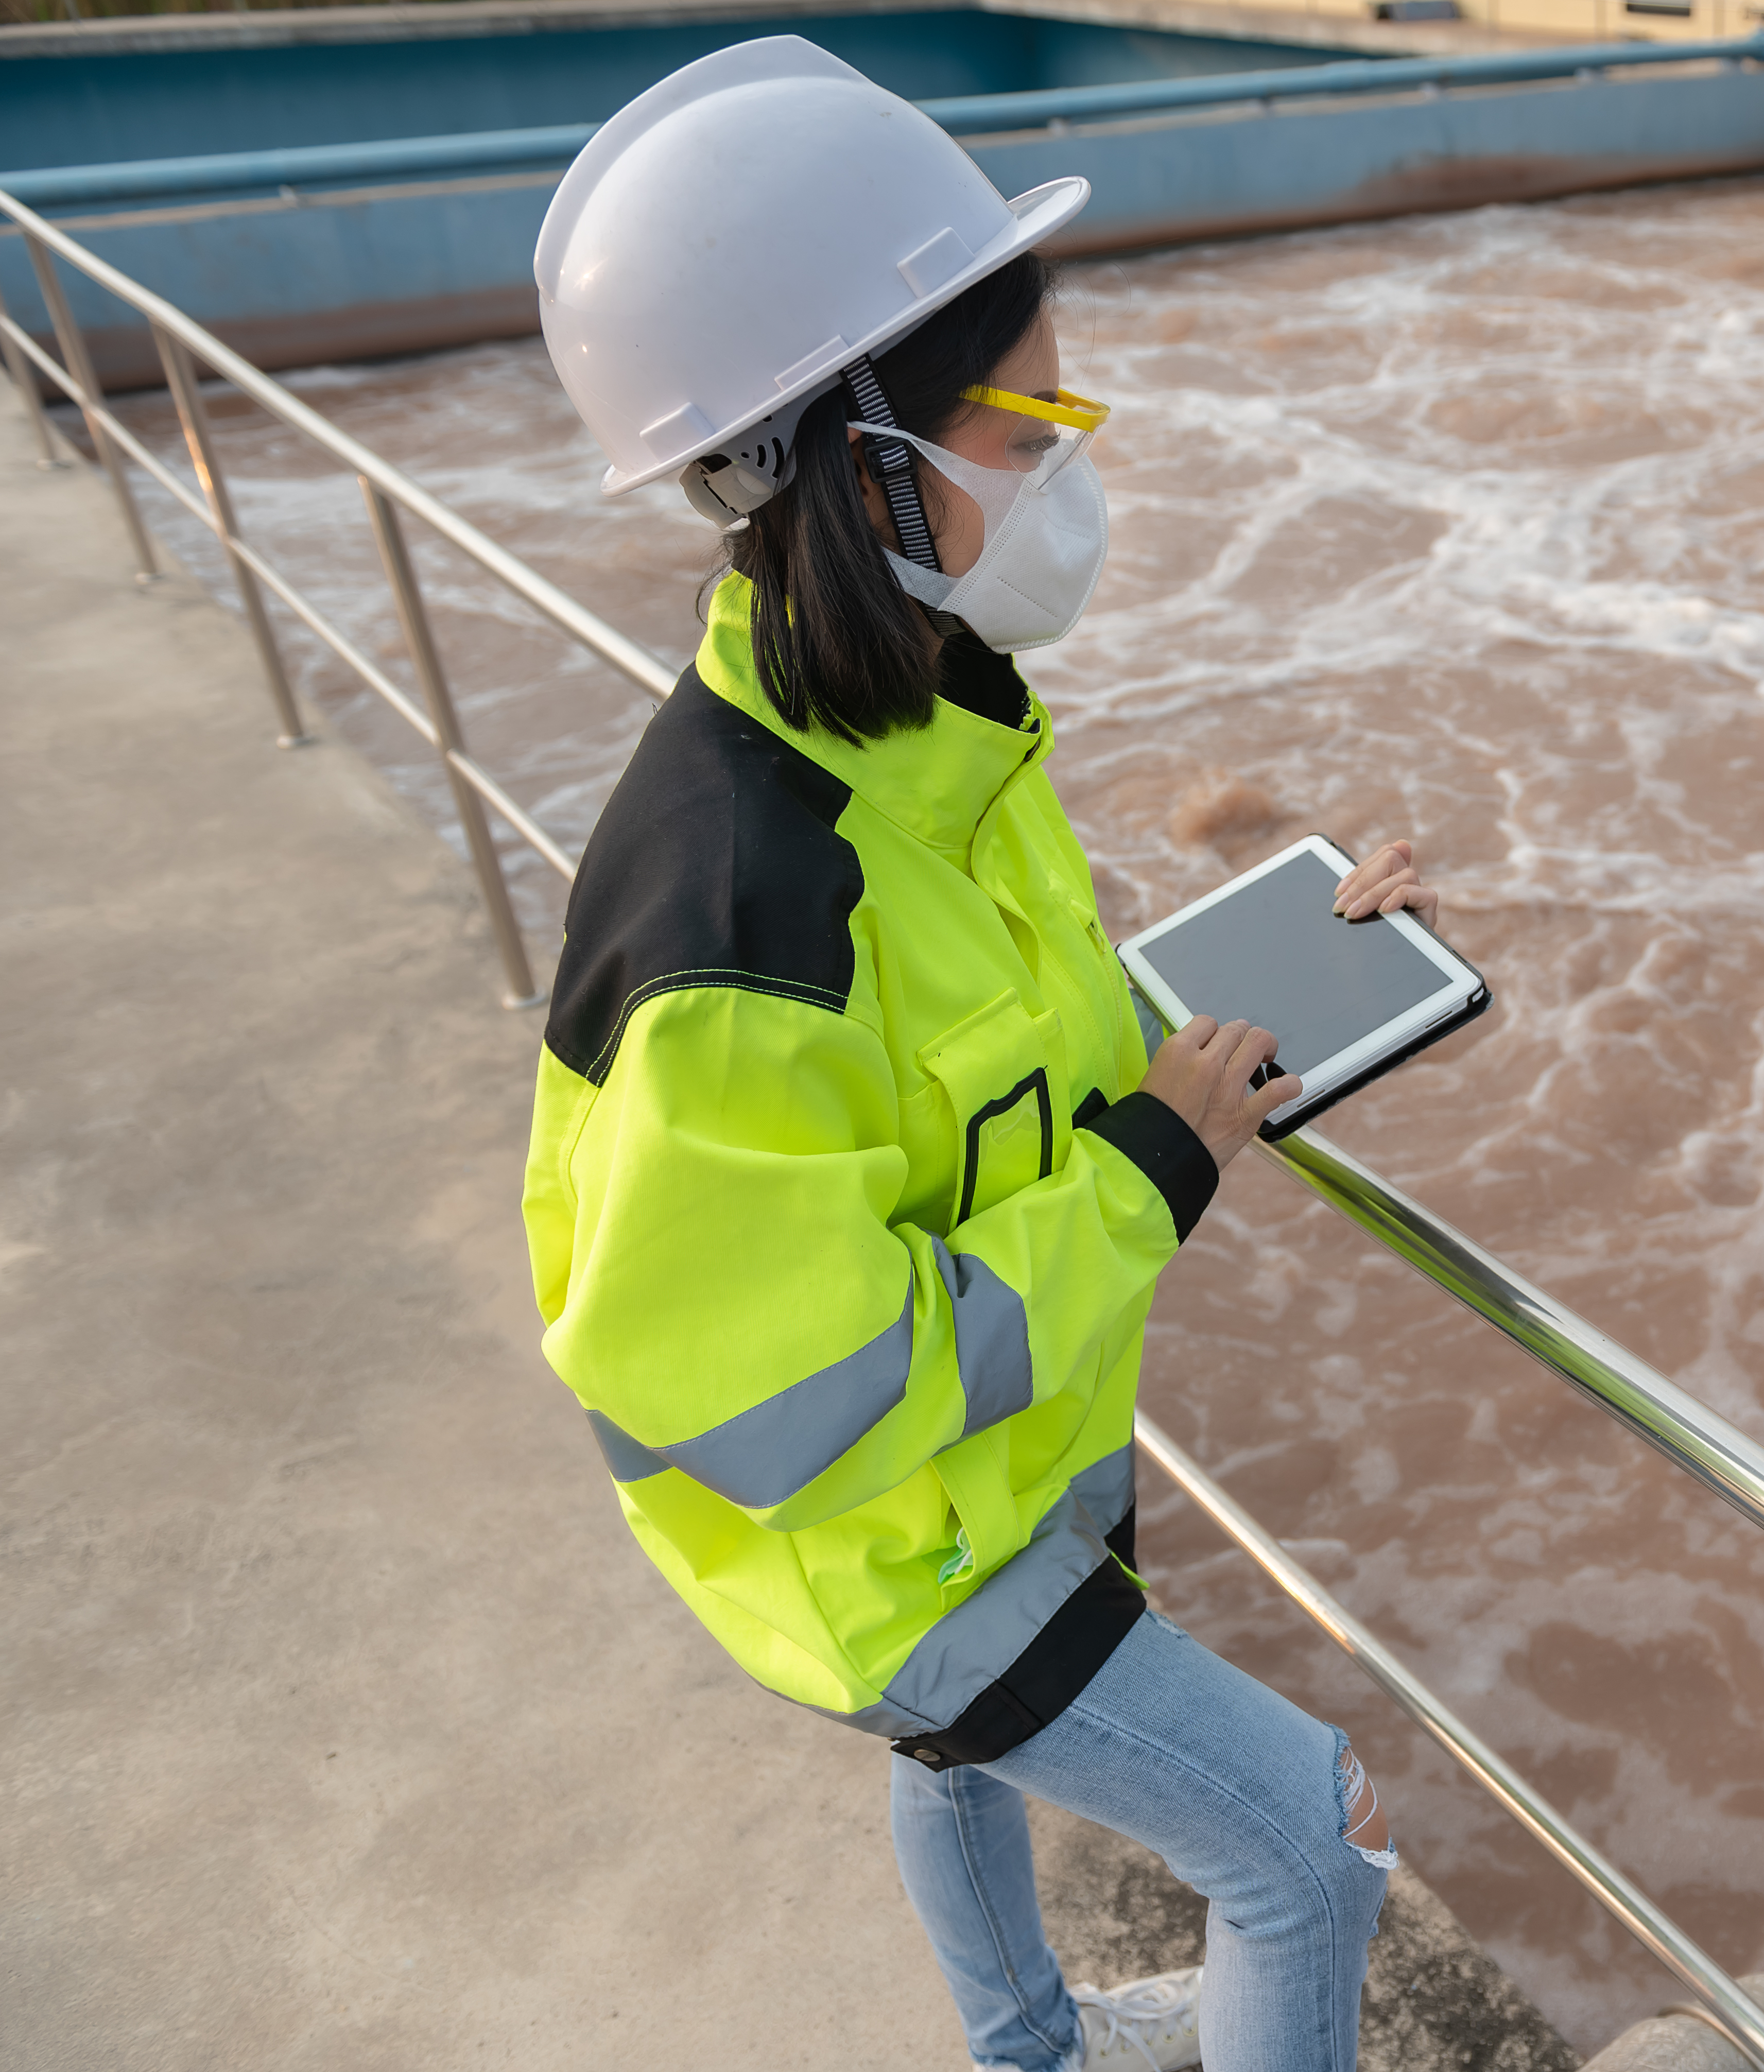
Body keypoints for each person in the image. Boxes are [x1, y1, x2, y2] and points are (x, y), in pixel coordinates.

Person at [520, 38, 1433, 2072]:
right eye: (1026, 419)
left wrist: (1280, 971)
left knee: (971, 1771)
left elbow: (1030, 1021)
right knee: (1305, 1836)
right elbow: (785, 1401)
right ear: (858, 468)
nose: (1069, 463)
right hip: (874, 1552)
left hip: (991, 1478)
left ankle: (1033, 2050)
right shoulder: (737, 920)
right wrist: (1152, 1169)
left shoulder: (935, 725)